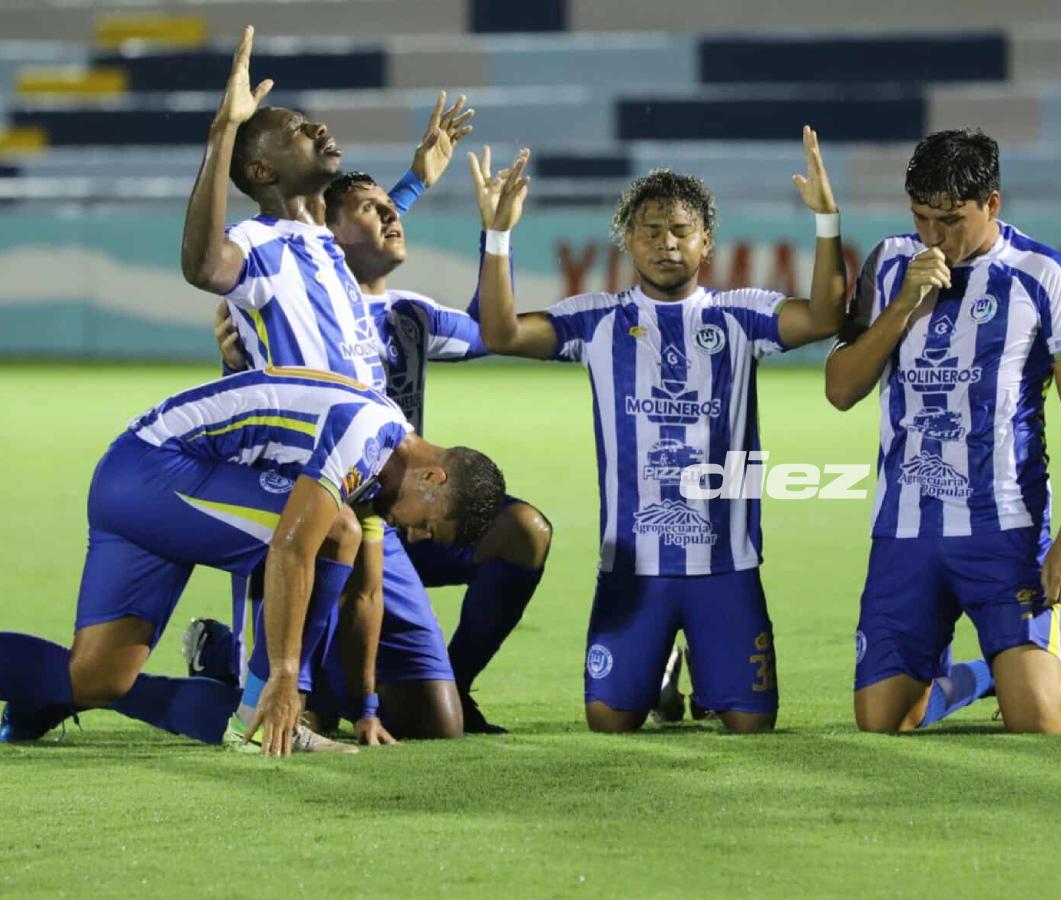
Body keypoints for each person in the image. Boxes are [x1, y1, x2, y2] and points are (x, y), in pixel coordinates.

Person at [468, 128, 846, 733]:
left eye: (680, 231)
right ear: (627, 241)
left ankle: (695, 653)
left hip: (727, 566)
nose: (666, 244)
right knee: (608, 724)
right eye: (650, 231)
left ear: (706, 243)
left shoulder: (740, 316)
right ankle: (663, 665)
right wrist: (498, 235)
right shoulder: (596, 321)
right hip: (632, 569)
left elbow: (826, 317)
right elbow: (501, 334)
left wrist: (827, 221)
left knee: (751, 730)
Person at [825, 128, 1061, 733]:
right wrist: (901, 306)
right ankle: (998, 668)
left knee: (1040, 724)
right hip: (904, 531)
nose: (932, 236)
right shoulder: (889, 264)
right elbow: (840, 388)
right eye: (920, 217)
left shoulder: (1046, 277)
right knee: (881, 723)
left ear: (992, 203)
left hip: (1004, 533)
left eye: (949, 219)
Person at [179, 25, 479, 738]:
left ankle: (318, 686)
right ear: (261, 173)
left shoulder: (325, 249)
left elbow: (361, 230)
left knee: (438, 724)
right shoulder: (259, 246)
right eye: (293, 131)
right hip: (300, 476)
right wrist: (224, 131)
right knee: (280, 700)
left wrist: (413, 183)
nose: (316, 126)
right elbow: (203, 267)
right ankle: (236, 663)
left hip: (367, 475)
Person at [196, 170, 553, 734]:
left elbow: (495, 330)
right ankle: (227, 662)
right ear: (324, 236)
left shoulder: (409, 315)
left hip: (408, 516)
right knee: (309, 715)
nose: (393, 218)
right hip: (330, 516)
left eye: (394, 208)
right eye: (374, 209)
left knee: (522, 530)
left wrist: (496, 233)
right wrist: (235, 361)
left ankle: (450, 685)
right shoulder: (289, 304)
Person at [0, 367, 505, 757]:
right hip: (155, 469)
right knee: (331, 530)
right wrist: (286, 676)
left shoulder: (384, 466)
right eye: (428, 525)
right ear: (434, 480)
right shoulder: (367, 436)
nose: (411, 534)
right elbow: (291, 547)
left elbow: (365, 592)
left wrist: (365, 708)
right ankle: (253, 715)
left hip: (134, 482)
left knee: (97, 678)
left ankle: (32, 693)